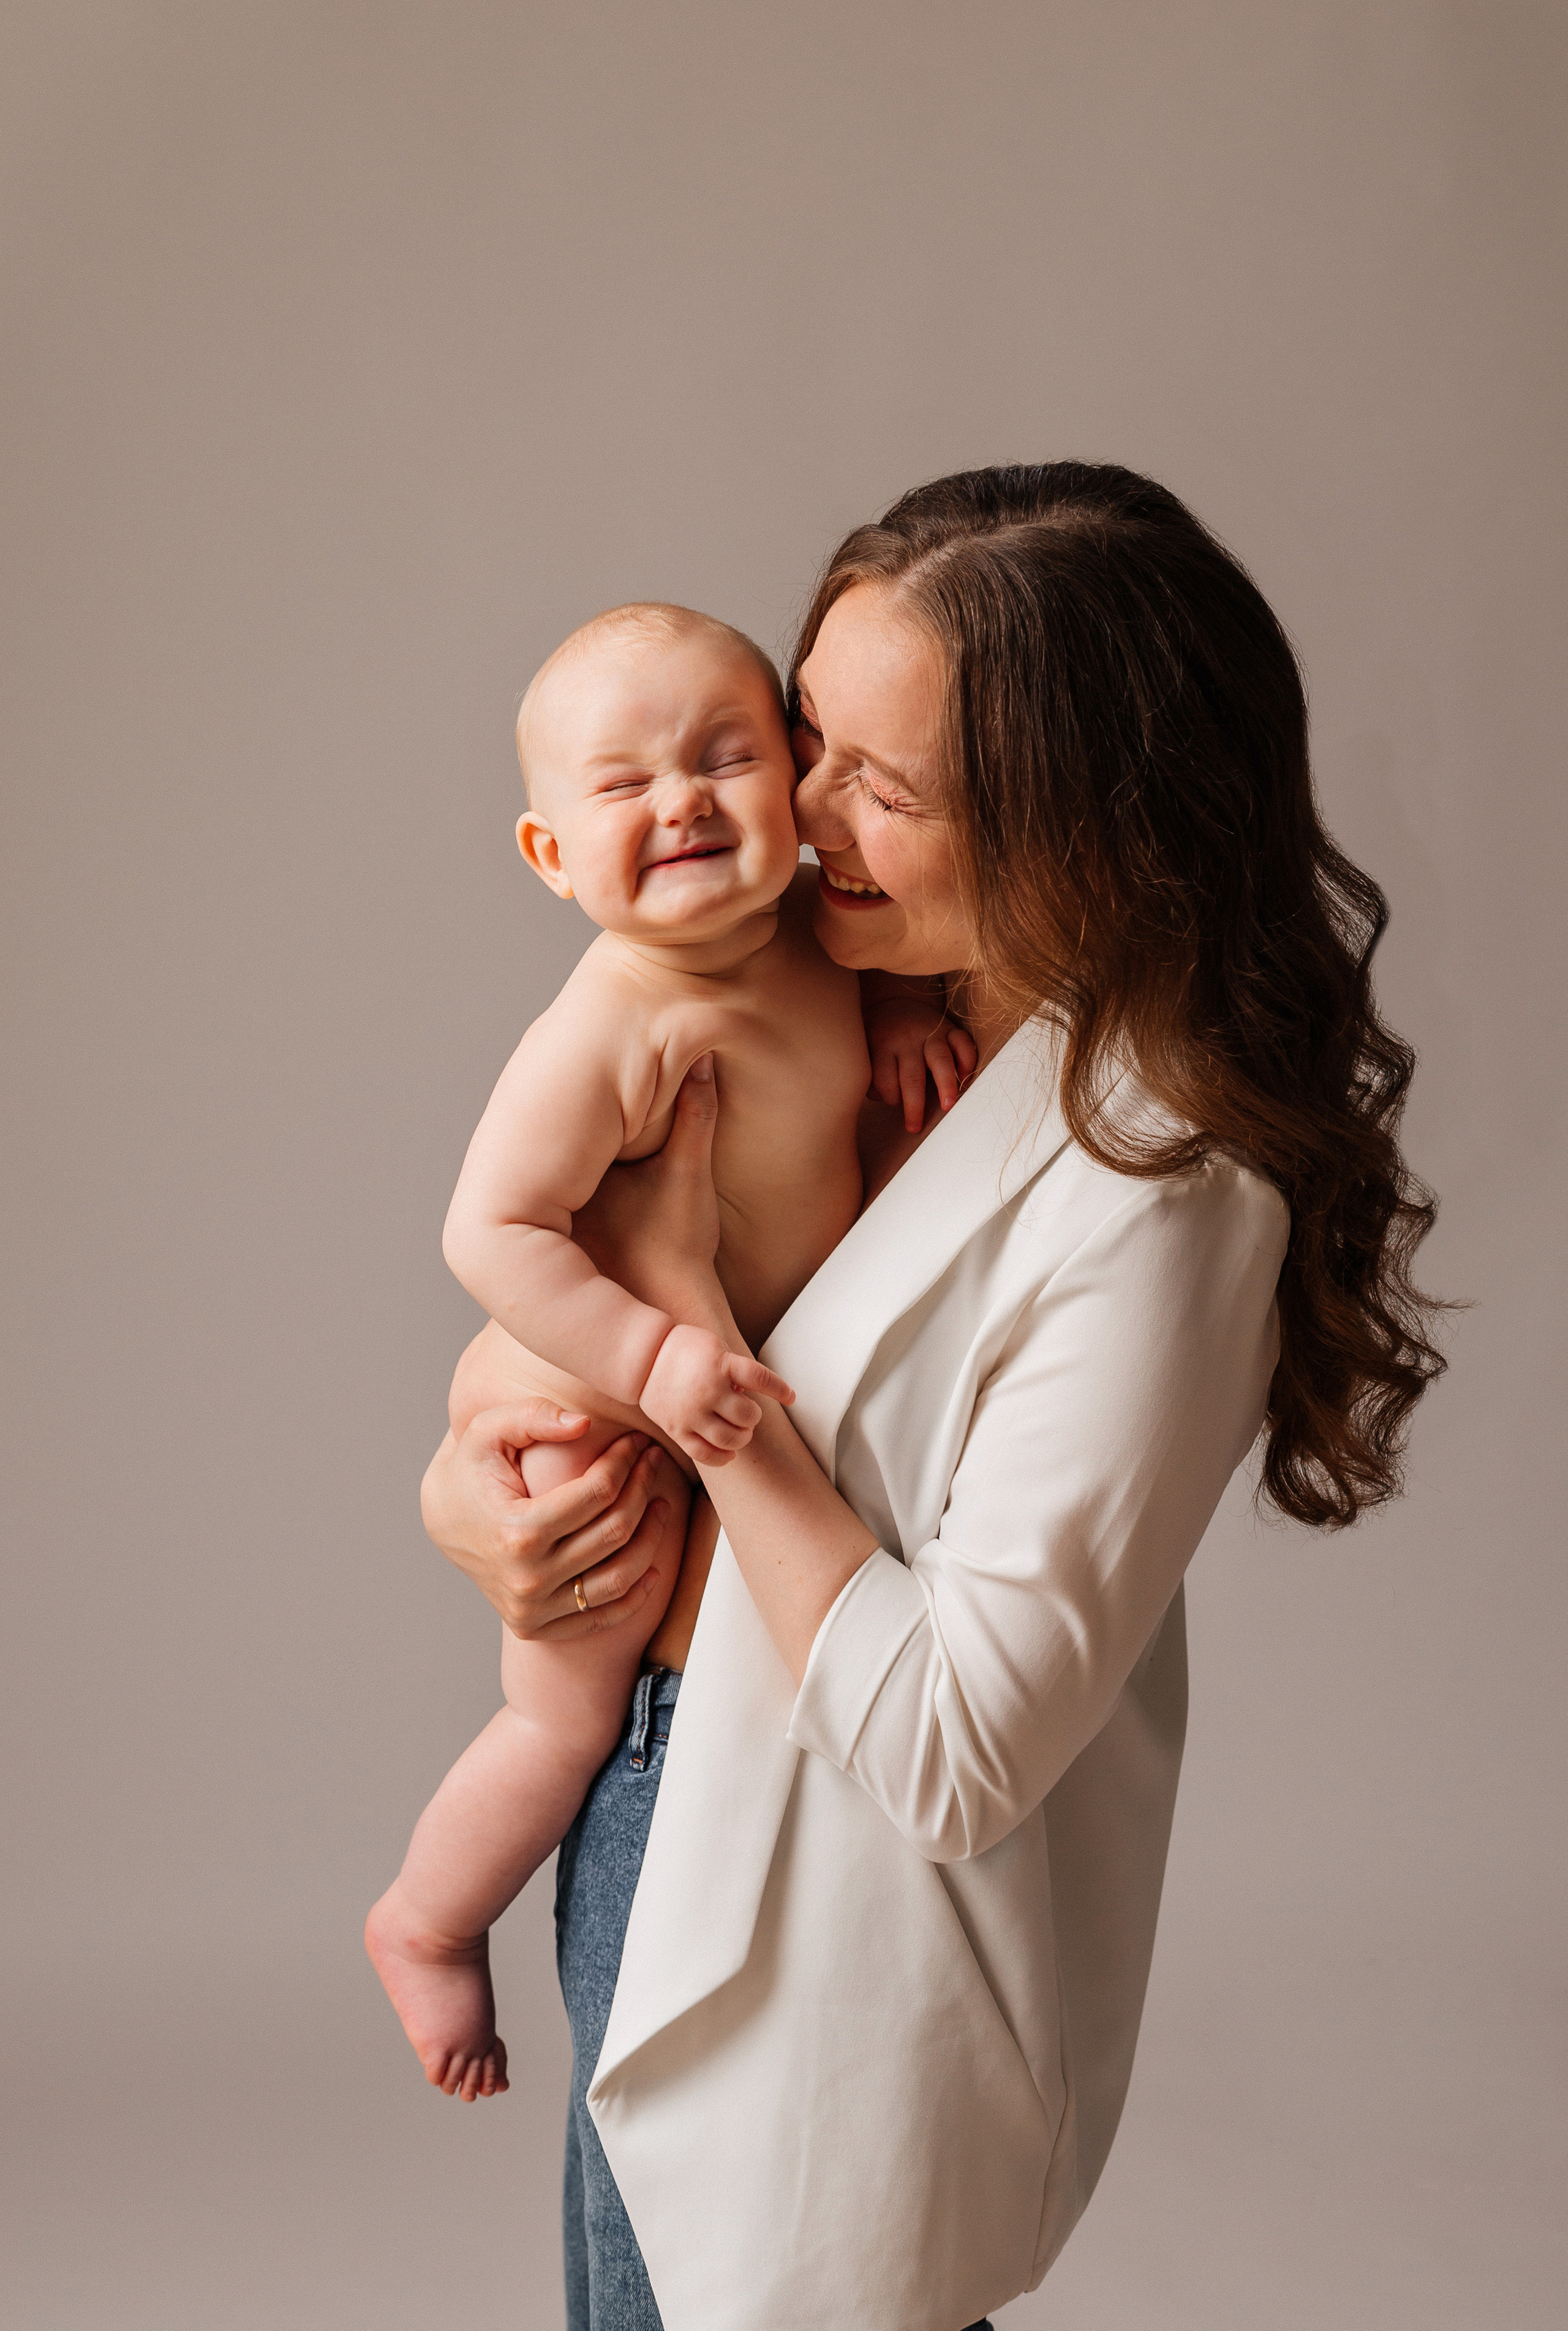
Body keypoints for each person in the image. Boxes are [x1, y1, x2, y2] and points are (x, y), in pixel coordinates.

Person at [420, 464, 1446, 2331]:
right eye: (809, 737)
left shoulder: (1163, 1187)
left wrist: (692, 1354)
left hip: (825, 1915)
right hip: (657, 1786)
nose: (802, 815)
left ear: (1090, 834)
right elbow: (554, 1312)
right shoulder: (886, 1007)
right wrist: (480, 1498)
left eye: (885, 791)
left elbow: (956, 1747)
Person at [366, 603, 971, 2102]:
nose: (682, 802)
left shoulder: (817, 932)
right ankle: (427, 1922)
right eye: (623, 785)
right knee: (562, 1714)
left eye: (725, 757)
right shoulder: (614, 1023)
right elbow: (491, 1232)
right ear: (551, 856)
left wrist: (906, 1009)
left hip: (709, 1397)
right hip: (587, 1423)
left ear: (795, 786)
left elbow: (898, 946)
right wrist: (645, 1359)